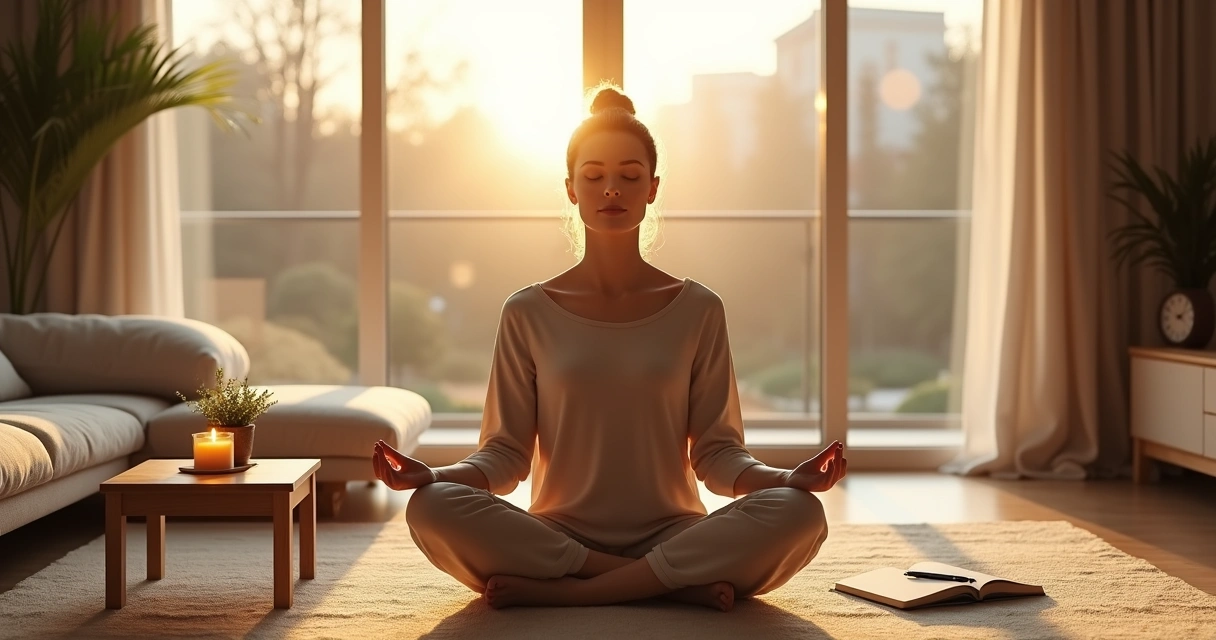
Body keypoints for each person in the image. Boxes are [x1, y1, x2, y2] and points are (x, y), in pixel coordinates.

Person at [371, 85, 847, 612]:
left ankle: (576, 595)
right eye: (594, 177)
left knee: (801, 514)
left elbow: (716, 454)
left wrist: (787, 478)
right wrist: (433, 475)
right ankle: (657, 585)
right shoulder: (527, 311)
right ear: (572, 190)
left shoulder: (699, 309)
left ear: (653, 188)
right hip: (557, 540)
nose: (612, 190)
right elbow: (505, 454)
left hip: (674, 535)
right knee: (432, 506)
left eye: (629, 176)